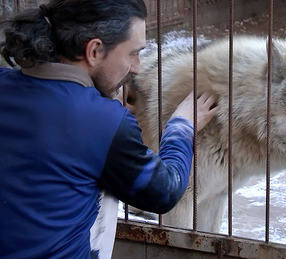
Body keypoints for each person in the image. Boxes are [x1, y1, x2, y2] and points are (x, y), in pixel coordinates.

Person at [0, 0, 218, 258]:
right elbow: (164, 192)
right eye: (133, 53)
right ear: (94, 51)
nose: (137, 66)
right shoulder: (102, 120)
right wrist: (182, 126)